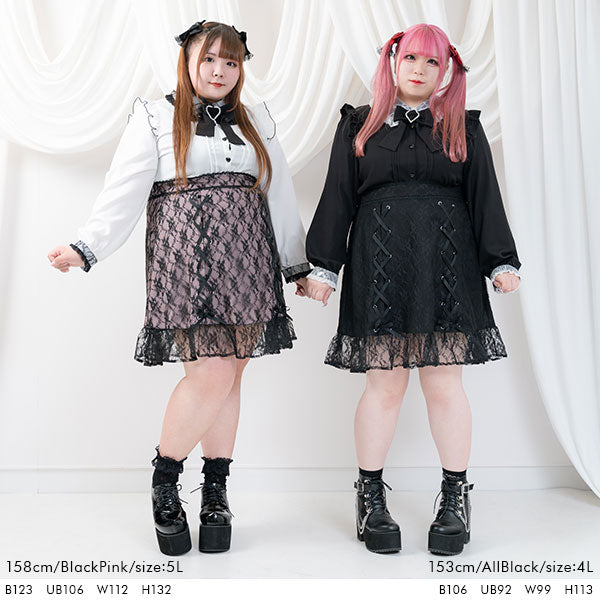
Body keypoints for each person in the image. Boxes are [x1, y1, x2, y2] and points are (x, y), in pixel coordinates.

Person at [47, 20, 310, 556]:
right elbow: (123, 191)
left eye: (231, 62)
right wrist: (86, 246)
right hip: (185, 257)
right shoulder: (154, 115)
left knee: (231, 376)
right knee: (211, 374)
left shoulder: (256, 119)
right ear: (188, 61)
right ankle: (165, 482)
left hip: (246, 258)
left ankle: (215, 492)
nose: (219, 71)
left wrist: (297, 265)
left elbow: (278, 192)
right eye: (209, 59)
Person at [303, 23, 521, 556]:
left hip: (447, 265)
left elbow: (484, 198)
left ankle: (455, 497)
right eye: (411, 60)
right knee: (385, 386)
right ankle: (370, 496)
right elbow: (338, 197)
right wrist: (323, 269)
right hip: (379, 264)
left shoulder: (462, 127)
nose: (420, 70)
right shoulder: (359, 125)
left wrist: (500, 262)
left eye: (432, 62)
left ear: (445, 70)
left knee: (444, 385)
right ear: (393, 63)